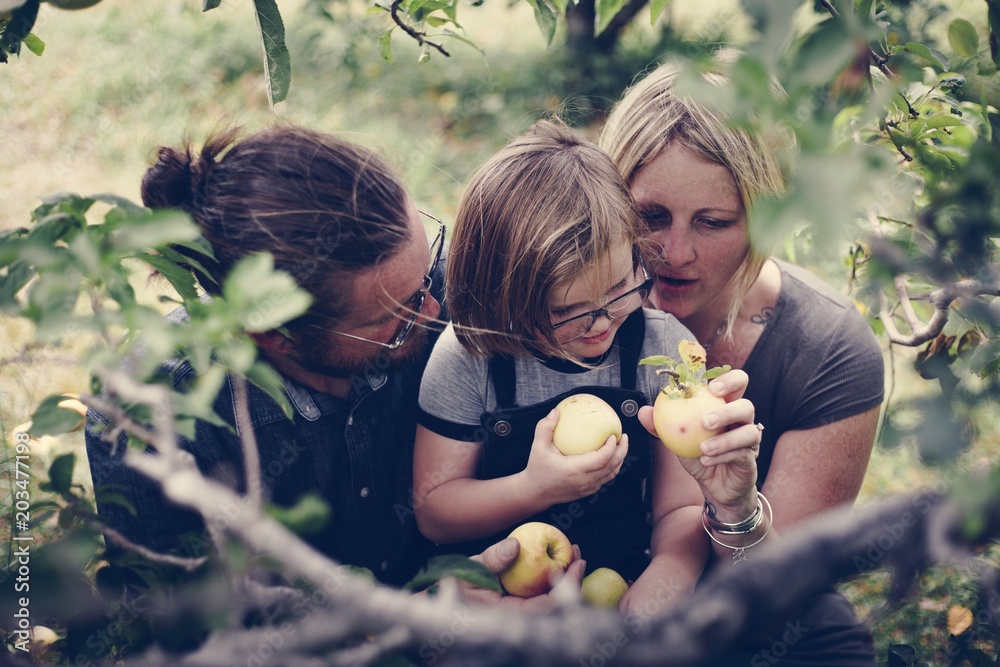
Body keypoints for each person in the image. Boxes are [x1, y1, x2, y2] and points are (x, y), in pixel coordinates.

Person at [85, 125, 583, 597]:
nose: (436, 310)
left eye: (427, 266)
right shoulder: (151, 412)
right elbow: (178, 630)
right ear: (276, 335)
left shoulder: (451, 291)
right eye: (401, 310)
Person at [412, 120, 764, 611]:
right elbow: (434, 510)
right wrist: (532, 489)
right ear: (502, 300)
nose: (602, 326)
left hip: (618, 593)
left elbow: (680, 510)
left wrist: (654, 594)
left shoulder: (660, 349)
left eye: (622, 288)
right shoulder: (470, 357)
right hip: (496, 607)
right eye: (566, 312)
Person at [600, 56, 885, 532]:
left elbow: (781, 584)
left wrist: (737, 510)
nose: (674, 253)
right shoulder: (560, 311)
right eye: (650, 216)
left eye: (713, 222)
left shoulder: (829, 353)